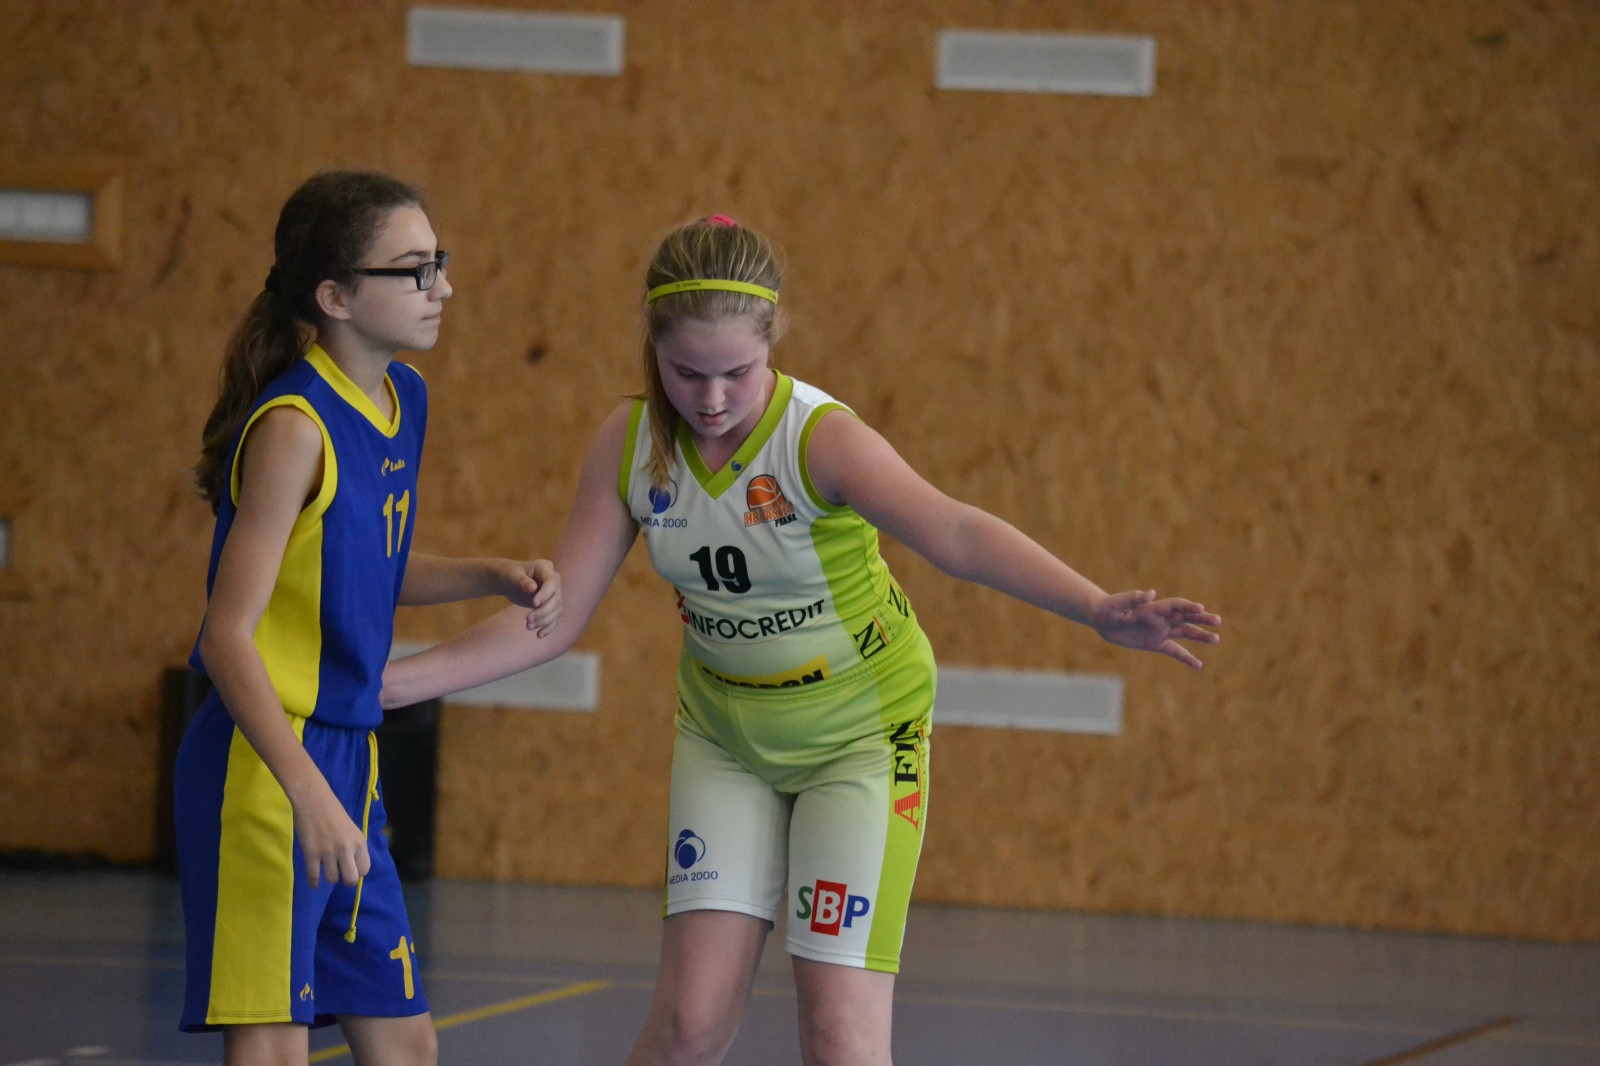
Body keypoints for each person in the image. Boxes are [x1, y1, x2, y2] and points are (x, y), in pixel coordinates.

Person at [379, 215, 1220, 1066]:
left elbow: (956, 532)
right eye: (687, 373)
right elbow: (551, 618)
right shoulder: (628, 446)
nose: (712, 399)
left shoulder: (819, 440)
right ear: (653, 349)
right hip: (725, 737)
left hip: (861, 738)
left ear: (772, 342)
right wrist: (396, 683)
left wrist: (1094, 606)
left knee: (840, 1037)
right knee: (687, 1026)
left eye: (737, 373)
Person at [175, 170, 561, 1064]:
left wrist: (489, 575)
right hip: (266, 766)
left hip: (354, 759)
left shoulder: (402, 400)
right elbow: (226, 637)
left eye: (439, 262)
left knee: (407, 1046)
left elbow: (358, 568)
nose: (443, 288)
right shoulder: (294, 428)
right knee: (272, 1048)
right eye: (415, 269)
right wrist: (306, 792)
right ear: (336, 297)